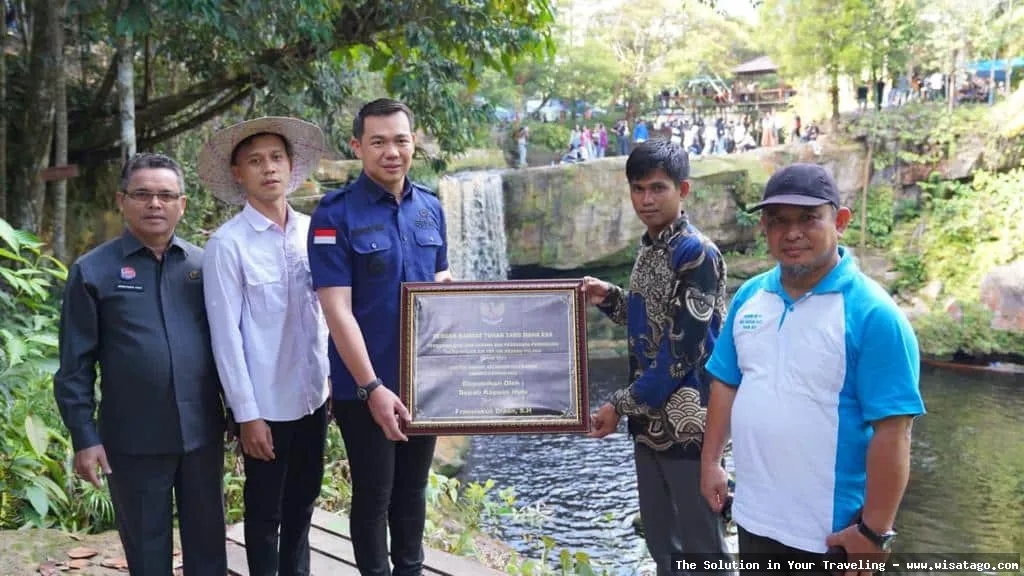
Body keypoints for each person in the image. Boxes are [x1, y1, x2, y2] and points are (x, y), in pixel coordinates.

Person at [700, 163, 925, 574]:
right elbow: (726, 384)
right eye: (779, 221)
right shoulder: (751, 296)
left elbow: (894, 429)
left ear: (839, 221)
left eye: (808, 218)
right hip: (753, 519)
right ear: (764, 228)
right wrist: (711, 461)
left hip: (828, 538)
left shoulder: (873, 314)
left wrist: (874, 533)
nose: (792, 233)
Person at [53, 153, 227, 575]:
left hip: (202, 434)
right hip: (132, 440)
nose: (155, 204)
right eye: (143, 194)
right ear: (122, 200)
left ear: (182, 205)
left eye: (166, 195)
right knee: (148, 556)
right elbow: (75, 365)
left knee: (208, 549)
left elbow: (230, 347)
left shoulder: (206, 266)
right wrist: (84, 437)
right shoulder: (93, 271)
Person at [308, 98, 453, 576]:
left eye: (401, 140)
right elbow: (336, 310)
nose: (392, 151)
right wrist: (371, 388)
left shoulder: (430, 207)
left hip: (423, 381)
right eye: (378, 142)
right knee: (375, 493)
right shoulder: (334, 215)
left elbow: (440, 284)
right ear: (358, 147)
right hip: (363, 385)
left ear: (414, 143)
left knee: (413, 491)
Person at [581, 139, 733, 576]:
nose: (646, 199)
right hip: (649, 423)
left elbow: (680, 353)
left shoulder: (696, 253)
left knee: (703, 550)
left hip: (690, 427)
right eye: (638, 188)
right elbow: (649, 318)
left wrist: (617, 405)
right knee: (662, 541)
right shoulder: (650, 247)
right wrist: (609, 297)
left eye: (658, 188)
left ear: (683, 190)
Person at [198, 117, 331, 576]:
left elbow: (331, 313)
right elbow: (225, 336)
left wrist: (330, 384)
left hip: (315, 398)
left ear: (292, 166)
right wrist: (246, 414)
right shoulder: (228, 244)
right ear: (238, 173)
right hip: (265, 405)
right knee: (265, 513)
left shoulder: (316, 232)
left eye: (277, 158)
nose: (268, 169)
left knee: (304, 504)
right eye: (255, 161)